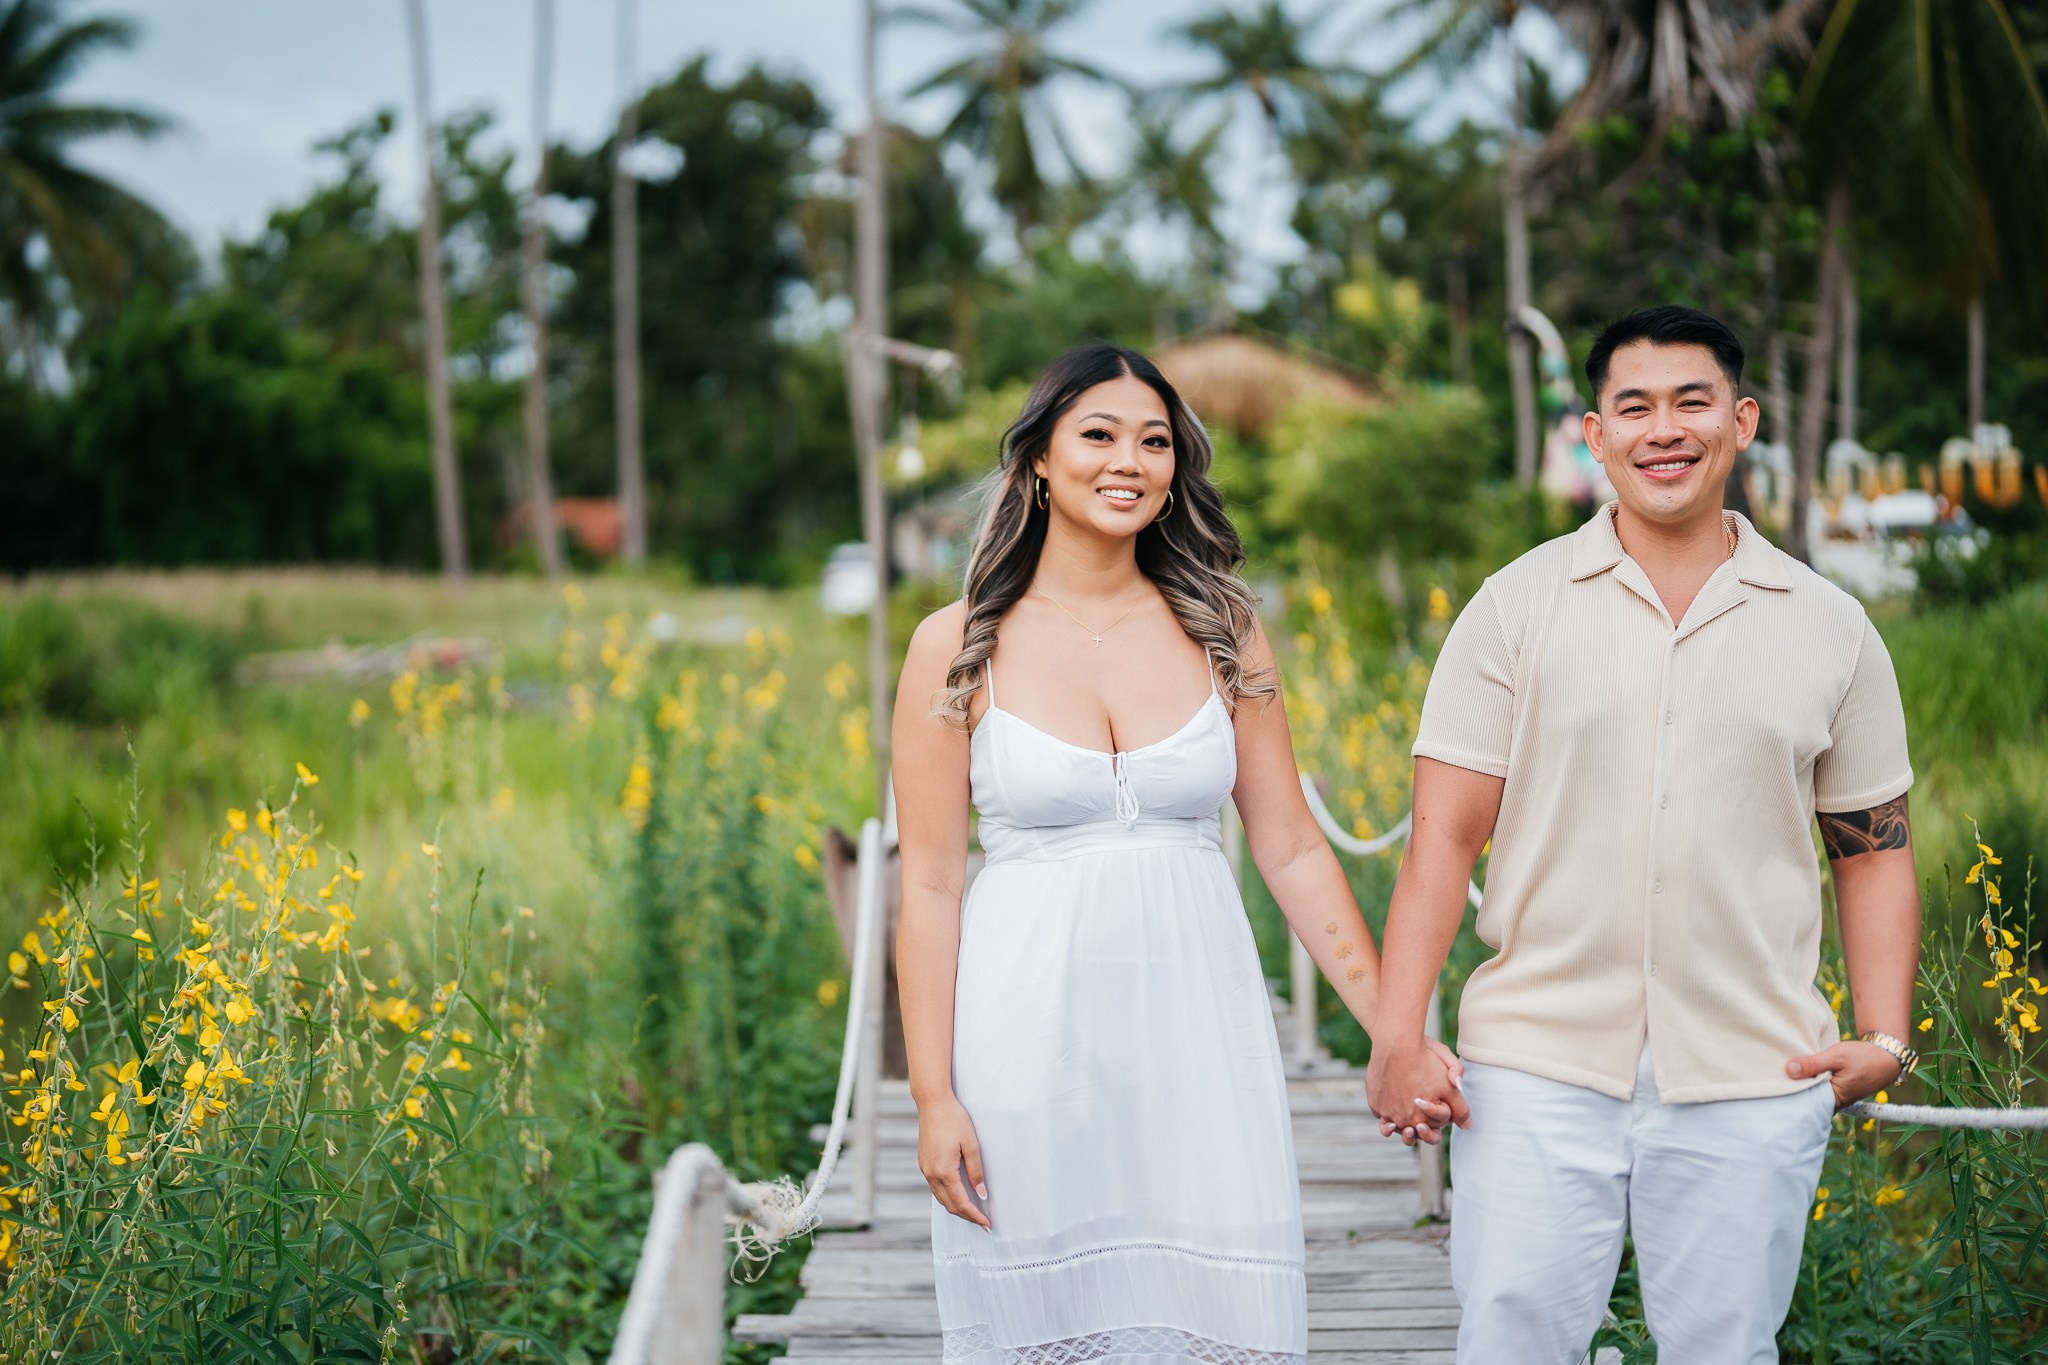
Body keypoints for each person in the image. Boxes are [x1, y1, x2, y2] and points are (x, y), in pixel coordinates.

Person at [1366, 305, 1922, 1364]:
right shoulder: (1512, 607)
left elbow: (1873, 846)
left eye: (1690, 402)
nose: (1661, 429)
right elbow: (1439, 839)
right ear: (1594, 433)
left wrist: (1885, 1036)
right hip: (1532, 1064)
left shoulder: (1827, 626)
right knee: (1508, 1342)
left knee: (1724, 1350)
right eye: (1633, 406)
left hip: (1756, 1068)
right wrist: (1398, 1034)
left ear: (1741, 419)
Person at [891, 344, 1459, 1365]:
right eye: (1098, 435)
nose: (1130, 461)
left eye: (1153, 441)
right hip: (1026, 1047)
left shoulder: (1223, 626)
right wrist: (935, 1098)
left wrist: (1392, 1031)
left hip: (1200, 1040)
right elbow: (928, 887)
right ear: (1036, 463)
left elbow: (1287, 846)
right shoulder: (956, 640)